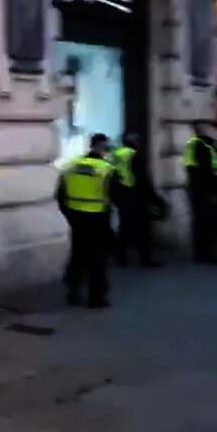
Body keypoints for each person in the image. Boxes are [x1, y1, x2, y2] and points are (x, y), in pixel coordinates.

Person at [57, 134, 116, 309]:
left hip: (77, 219)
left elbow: (60, 195)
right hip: (98, 219)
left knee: (78, 254)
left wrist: (70, 215)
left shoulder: (71, 165)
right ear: (100, 147)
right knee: (98, 259)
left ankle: (73, 290)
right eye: (105, 147)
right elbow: (115, 195)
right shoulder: (105, 169)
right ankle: (96, 297)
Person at [108, 131, 164, 267]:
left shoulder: (115, 155)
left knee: (125, 228)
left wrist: (114, 197)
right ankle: (145, 258)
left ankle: (121, 258)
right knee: (143, 230)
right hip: (136, 197)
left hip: (121, 196)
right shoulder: (135, 156)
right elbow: (143, 180)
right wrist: (155, 199)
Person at [184, 121, 217, 265]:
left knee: (202, 223)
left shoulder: (204, 145)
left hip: (203, 190)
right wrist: (211, 191)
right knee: (208, 223)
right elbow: (203, 171)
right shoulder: (199, 145)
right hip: (205, 191)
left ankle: (201, 253)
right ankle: (208, 254)